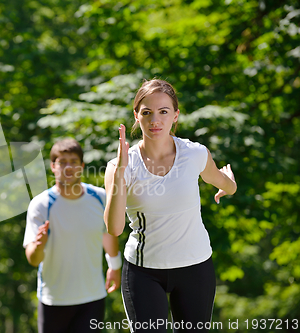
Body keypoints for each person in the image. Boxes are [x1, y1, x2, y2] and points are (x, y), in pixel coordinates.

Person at [104, 79, 237, 333]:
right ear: (136, 116)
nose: (156, 120)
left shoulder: (195, 154)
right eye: (147, 112)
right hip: (143, 273)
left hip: (195, 267)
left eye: (163, 112)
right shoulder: (120, 165)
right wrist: (120, 174)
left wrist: (229, 184)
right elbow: (114, 228)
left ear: (175, 116)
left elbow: (221, 181)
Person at [23, 138, 122, 333]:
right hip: (54, 299)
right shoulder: (41, 204)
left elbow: (108, 233)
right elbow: (33, 259)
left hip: (92, 297)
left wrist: (115, 266)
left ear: (82, 166)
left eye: (73, 162)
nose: (68, 167)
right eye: (62, 162)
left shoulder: (100, 198)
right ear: (53, 166)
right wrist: (39, 244)